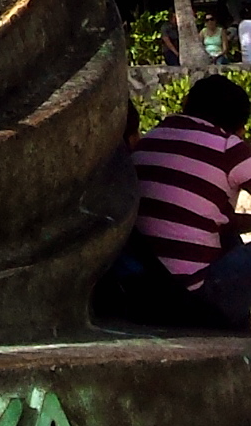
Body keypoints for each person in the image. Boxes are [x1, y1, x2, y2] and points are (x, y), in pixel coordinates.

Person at [105, 76, 251, 330]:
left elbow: (195, 221)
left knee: (226, 236)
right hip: (199, 297)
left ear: (186, 103)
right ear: (239, 127)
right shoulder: (228, 147)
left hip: (149, 293)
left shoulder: (150, 140)